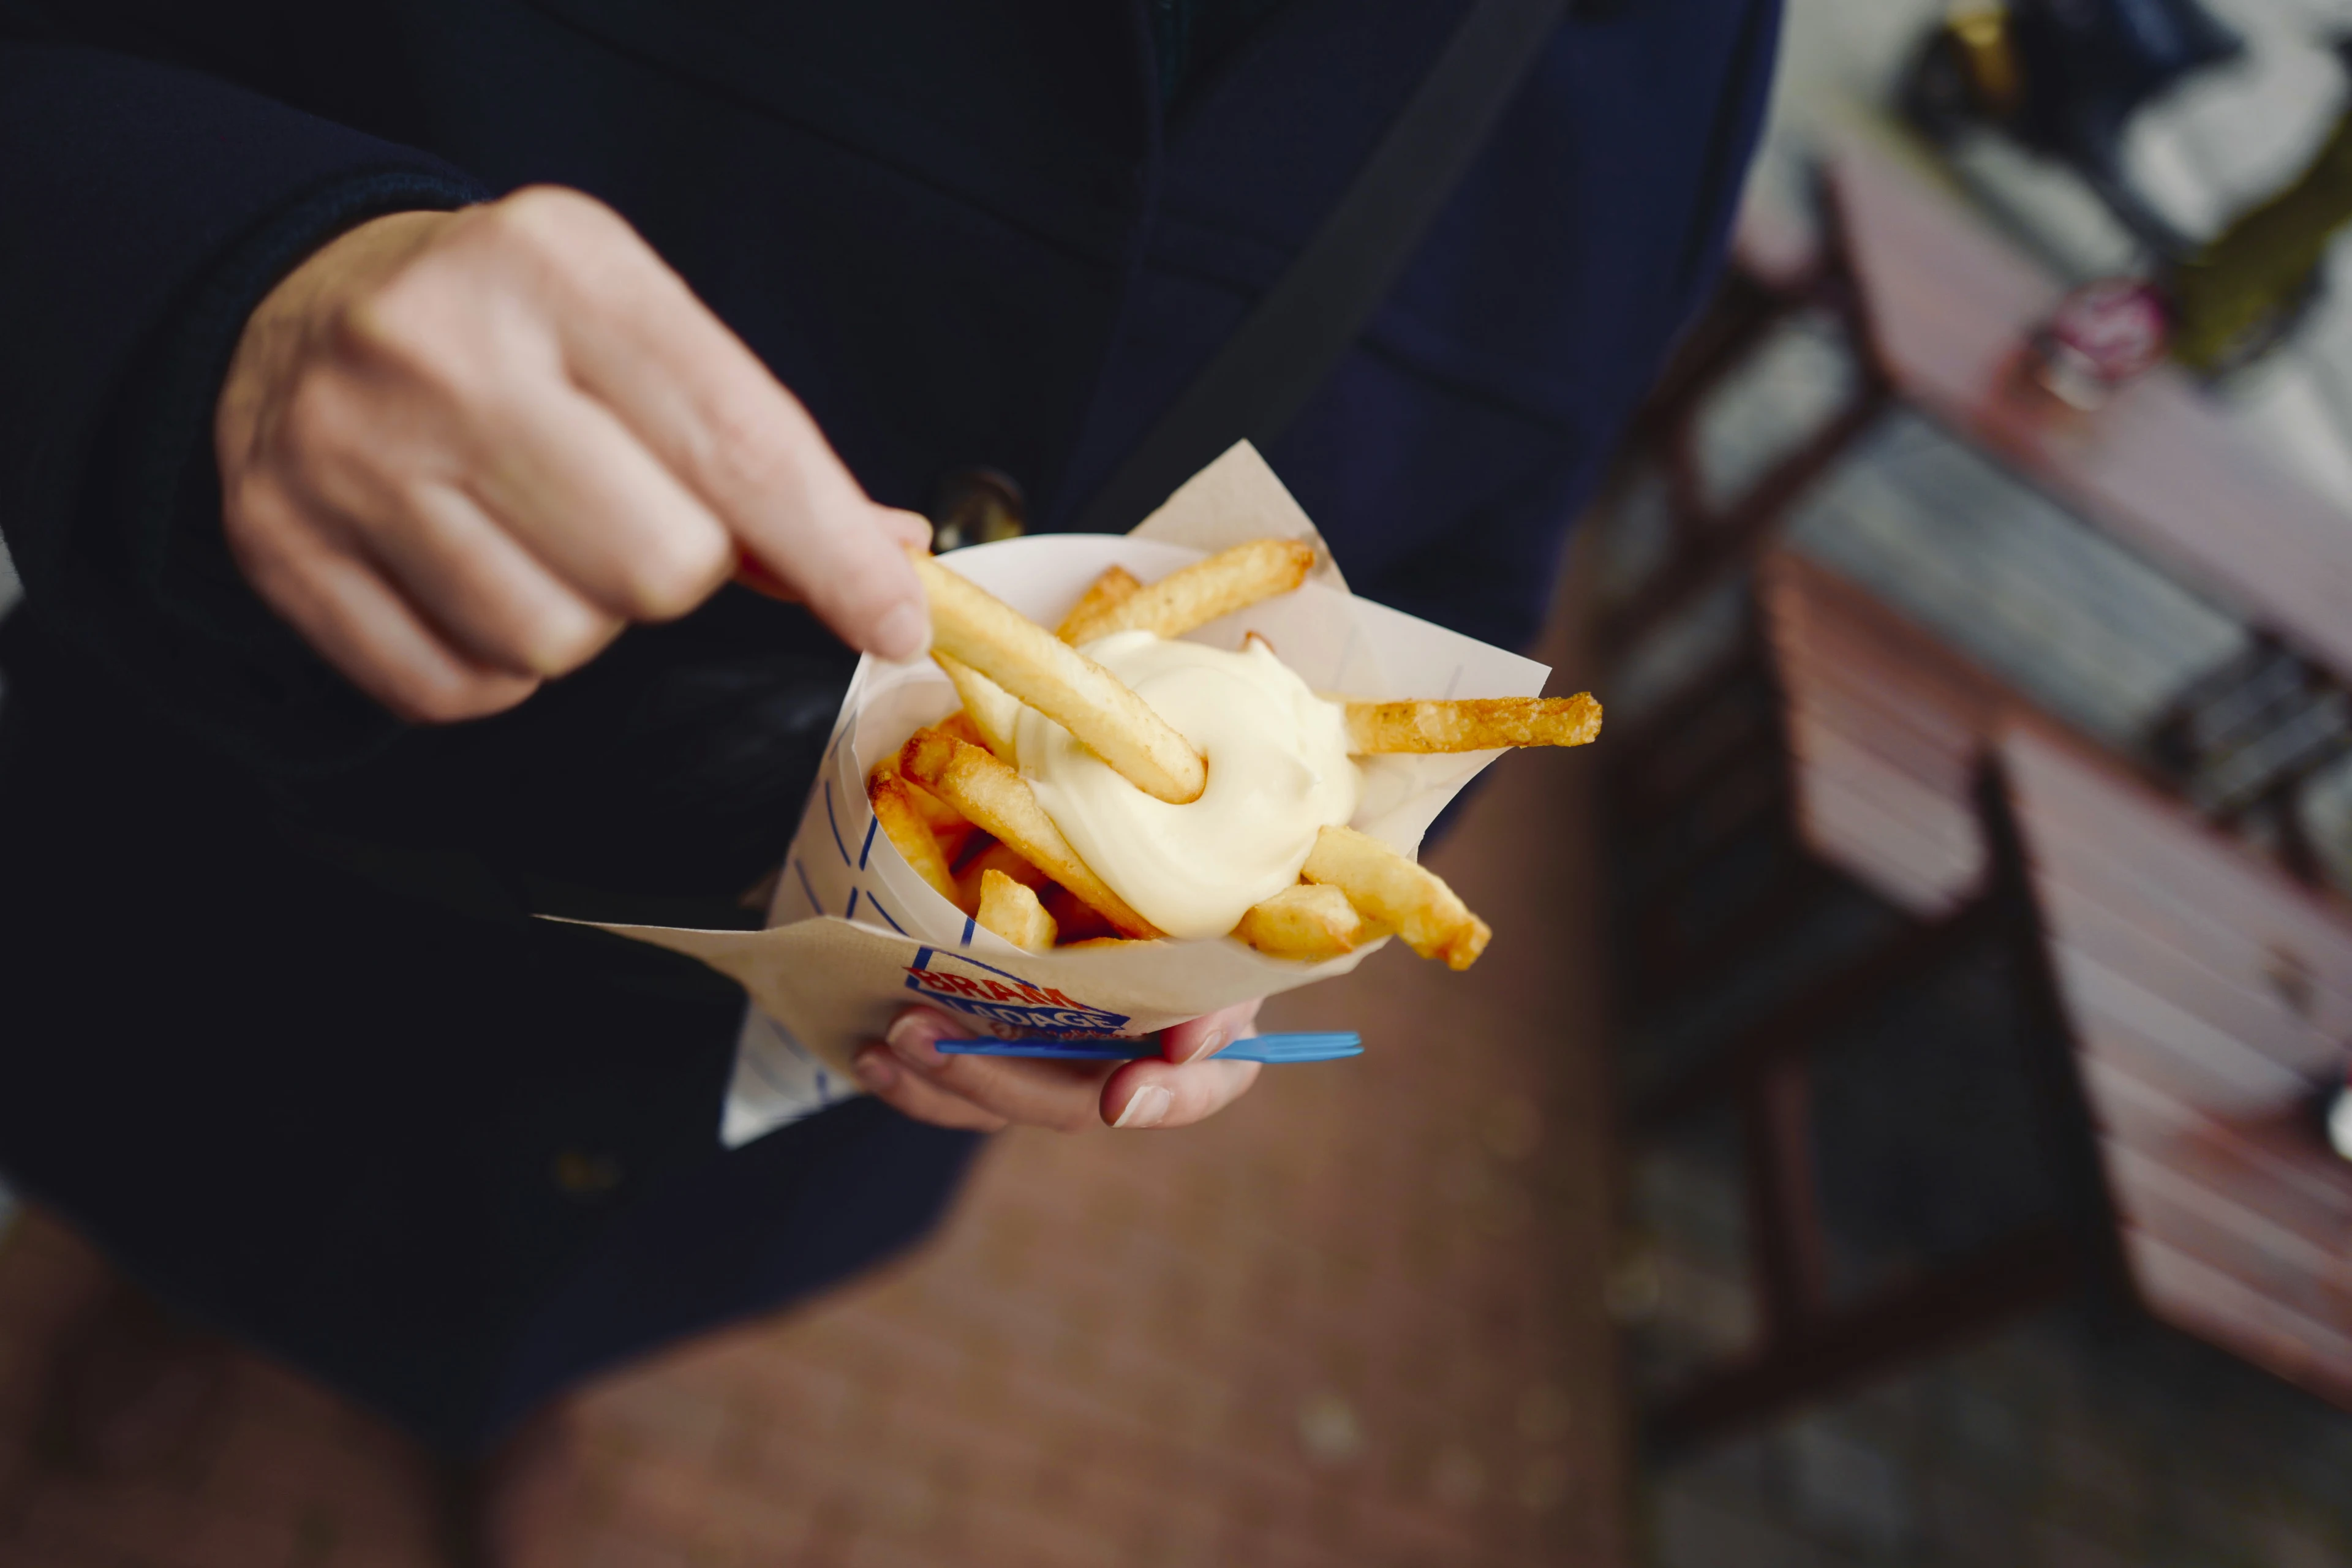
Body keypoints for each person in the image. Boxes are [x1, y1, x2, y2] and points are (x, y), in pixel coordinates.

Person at [0, 0, 1777, 1549]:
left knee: (573, 1302)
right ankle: (183, 1317)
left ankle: (490, 1381)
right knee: (210, 1192)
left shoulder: (1675, 53)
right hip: (276, 851)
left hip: (818, 1085)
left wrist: (1245, 931)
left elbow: (1456, 590)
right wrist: (236, 295)